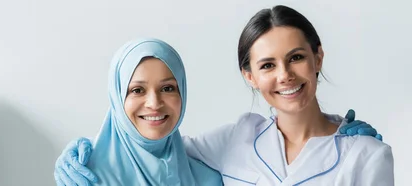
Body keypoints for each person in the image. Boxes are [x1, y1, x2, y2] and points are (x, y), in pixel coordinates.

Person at [54, 5, 391, 186]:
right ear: (250, 76)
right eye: (268, 65)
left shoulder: (366, 156)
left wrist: (352, 141)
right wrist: (83, 154)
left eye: (296, 58)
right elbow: (155, 144)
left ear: (318, 57)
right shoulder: (236, 139)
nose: (285, 75)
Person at [54, 37, 223, 186]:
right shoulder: (82, 176)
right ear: (118, 98)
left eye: (167, 88)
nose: (154, 103)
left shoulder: (209, 178)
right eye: (137, 90)